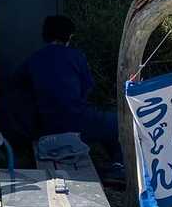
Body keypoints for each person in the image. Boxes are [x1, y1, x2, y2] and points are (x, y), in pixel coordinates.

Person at [15, 16, 123, 181]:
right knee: (117, 123)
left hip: (44, 126)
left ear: (45, 35)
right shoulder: (76, 56)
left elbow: (19, 88)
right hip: (77, 121)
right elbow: (87, 88)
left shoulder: (33, 59)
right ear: (69, 36)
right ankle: (118, 166)